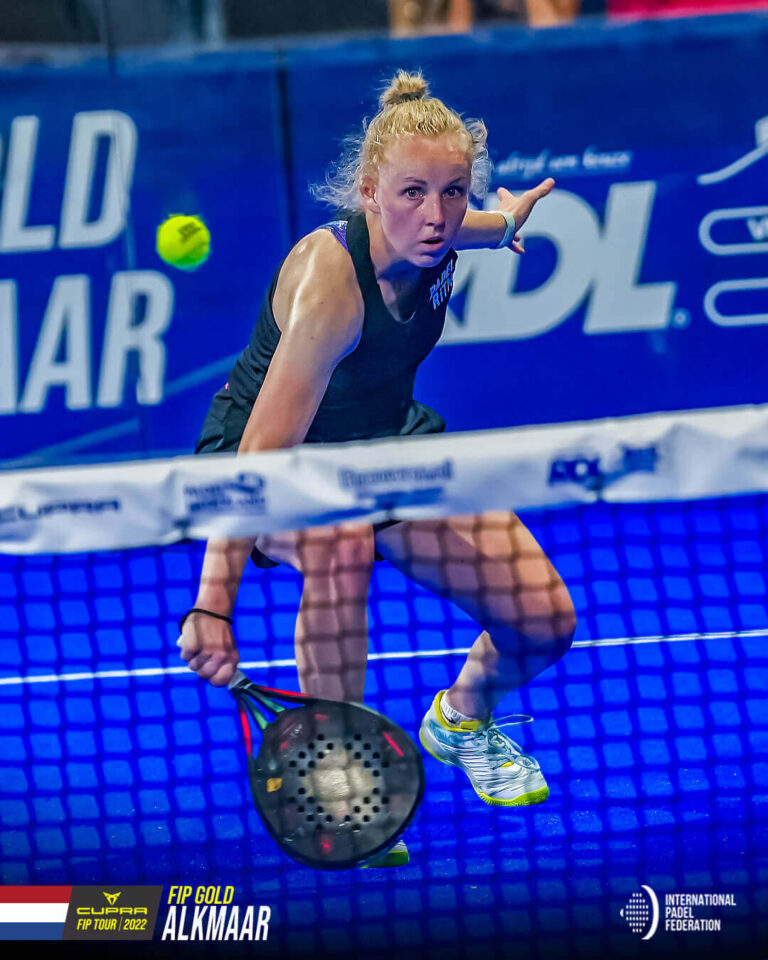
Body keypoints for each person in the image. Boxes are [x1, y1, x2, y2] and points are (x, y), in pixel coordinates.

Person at [178, 70, 577, 866]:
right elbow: (258, 462)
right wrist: (212, 606)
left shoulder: (441, 230)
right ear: (369, 194)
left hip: (387, 444)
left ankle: (461, 719)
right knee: (341, 541)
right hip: (276, 457)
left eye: (453, 192)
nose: (435, 215)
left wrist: (505, 223)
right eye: (412, 194)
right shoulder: (332, 285)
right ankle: (334, 762)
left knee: (544, 620)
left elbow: (475, 227)